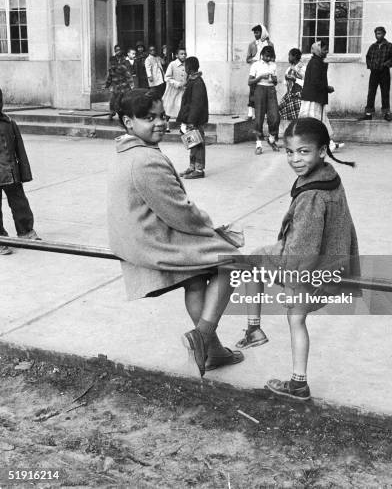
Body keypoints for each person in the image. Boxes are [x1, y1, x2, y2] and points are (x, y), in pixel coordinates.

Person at [107, 90, 244, 377]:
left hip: (138, 235)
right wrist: (214, 230)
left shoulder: (126, 150)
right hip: (151, 240)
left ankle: (213, 353)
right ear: (128, 122)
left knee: (195, 280)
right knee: (232, 261)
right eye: (148, 118)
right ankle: (203, 337)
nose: (159, 123)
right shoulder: (145, 160)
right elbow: (180, 212)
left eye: (162, 116)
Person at [235, 118, 359, 400]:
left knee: (251, 265)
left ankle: (256, 331)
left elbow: (301, 249)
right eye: (289, 152)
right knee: (295, 318)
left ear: (322, 151)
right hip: (329, 259)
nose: (295, 159)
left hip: (308, 266)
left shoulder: (313, 194)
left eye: (304, 152)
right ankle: (296, 379)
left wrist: (288, 273)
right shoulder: (328, 177)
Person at [0, 88, 40, 255]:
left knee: (20, 203)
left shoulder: (9, 123)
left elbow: (20, 151)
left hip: (10, 173)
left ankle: (26, 232)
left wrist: (24, 173)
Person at [299, 40, 344, 152]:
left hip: (315, 97)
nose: (327, 51)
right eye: (324, 49)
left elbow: (318, 81)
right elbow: (315, 82)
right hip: (313, 98)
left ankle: (328, 143)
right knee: (314, 122)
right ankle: (316, 144)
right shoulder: (315, 63)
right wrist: (327, 88)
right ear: (319, 50)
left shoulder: (317, 61)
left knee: (319, 121)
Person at [177, 57, 209, 180]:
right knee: (192, 143)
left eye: (185, 67)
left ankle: (199, 169)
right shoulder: (192, 81)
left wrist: (191, 121)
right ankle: (192, 167)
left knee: (198, 144)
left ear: (189, 68)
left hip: (195, 120)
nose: (184, 69)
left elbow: (197, 104)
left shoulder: (198, 83)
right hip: (190, 119)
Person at [359, 26, 392, 122]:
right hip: (374, 72)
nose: (378, 36)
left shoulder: (390, 46)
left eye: (380, 33)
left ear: (384, 34)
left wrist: (386, 65)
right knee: (371, 92)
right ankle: (368, 113)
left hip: (384, 72)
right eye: (376, 34)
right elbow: (368, 57)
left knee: (385, 92)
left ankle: (386, 113)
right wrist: (371, 66)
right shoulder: (373, 47)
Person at [248, 45, 281, 154]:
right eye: (266, 56)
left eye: (270, 56)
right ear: (262, 54)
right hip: (260, 89)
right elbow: (250, 82)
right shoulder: (255, 65)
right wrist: (260, 77)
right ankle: (258, 145)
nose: (268, 58)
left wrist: (274, 79)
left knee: (275, 116)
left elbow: (275, 82)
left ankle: (271, 139)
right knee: (259, 118)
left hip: (271, 90)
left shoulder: (273, 65)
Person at [246, 25, 274, 120]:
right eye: (254, 32)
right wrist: (255, 61)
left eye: (257, 32)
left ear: (262, 33)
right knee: (252, 90)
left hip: (266, 70)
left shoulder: (269, 44)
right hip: (256, 70)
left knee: (265, 92)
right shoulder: (252, 45)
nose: (255, 34)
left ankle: (265, 113)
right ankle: (250, 113)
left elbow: (273, 58)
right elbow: (248, 59)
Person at [163, 47, 187, 133]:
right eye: (181, 54)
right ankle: (166, 125)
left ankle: (183, 127)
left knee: (183, 107)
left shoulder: (186, 65)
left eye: (185, 54)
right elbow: (167, 77)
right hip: (173, 90)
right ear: (177, 55)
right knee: (169, 107)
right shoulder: (172, 64)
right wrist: (176, 83)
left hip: (183, 90)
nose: (183, 55)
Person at [105, 45, 132, 120]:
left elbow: (128, 75)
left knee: (122, 100)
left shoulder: (123, 63)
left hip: (124, 86)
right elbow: (109, 78)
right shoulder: (111, 69)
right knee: (112, 99)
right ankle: (112, 112)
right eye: (116, 50)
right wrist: (107, 85)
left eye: (119, 50)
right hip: (116, 86)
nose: (112, 65)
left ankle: (124, 113)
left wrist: (131, 84)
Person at [279, 48, 305, 122]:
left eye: (289, 56)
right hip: (290, 94)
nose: (288, 58)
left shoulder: (302, 68)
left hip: (298, 95)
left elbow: (305, 82)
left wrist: (295, 79)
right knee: (282, 111)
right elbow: (285, 83)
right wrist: (287, 79)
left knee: (297, 117)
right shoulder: (289, 69)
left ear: (294, 56)